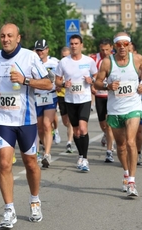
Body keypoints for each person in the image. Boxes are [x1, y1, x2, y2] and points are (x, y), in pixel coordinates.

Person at [0, 23, 52, 229]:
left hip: (26, 120)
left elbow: (49, 83)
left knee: (31, 163)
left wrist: (25, 80)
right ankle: (9, 209)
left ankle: (34, 200)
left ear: (18, 37)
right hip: (4, 120)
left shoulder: (30, 57)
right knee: (4, 163)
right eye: (3, 35)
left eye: (10, 36)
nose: (6, 39)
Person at [94, 32, 142, 197]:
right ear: (114, 47)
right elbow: (97, 83)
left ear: (130, 45)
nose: (122, 47)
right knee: (121, 145)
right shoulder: (107, 62)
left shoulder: (137, 59)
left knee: (131, 142)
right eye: (119, 45)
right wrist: (107, 86)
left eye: (126, 44)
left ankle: (132, 181)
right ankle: (126, 172)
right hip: (115, 109)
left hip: (133, 107)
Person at [55, 34, 98, 172]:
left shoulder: (88, 61)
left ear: (81, 45)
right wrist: (63, 83)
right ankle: (80, 154)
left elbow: (96, 76)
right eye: (71, 44)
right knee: (76, 131)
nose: (74, 46)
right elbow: (57, 81)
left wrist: (91, 81)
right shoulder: (63, 62)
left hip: (84, 99)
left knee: (83, 128)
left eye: (76, 43)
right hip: (70, 99)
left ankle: (84, 159)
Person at [34, 39, 59, 168]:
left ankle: (47, 154)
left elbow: (61, 76)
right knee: (39, 127)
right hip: (36, 97)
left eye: (42, 50)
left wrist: (62, 84)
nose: (40, 52)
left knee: (46, 124)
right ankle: (42, 148)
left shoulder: (54, 62)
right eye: (38, 50)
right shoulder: (32, 62)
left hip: (50, 96)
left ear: (47, 49)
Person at [90, 38, 115, 163]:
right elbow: (90, 75)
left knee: (110, 125)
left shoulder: (116, 58)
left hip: (112, 96)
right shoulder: (94, 59)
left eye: (107, 49)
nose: (105, 52)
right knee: (103, 123)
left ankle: (109, 151)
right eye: (102, 49)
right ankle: (106, 134)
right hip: (100, 95)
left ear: (111, 47)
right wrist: (92, 86)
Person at [56, 47, 74, 153]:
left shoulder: (74, 65)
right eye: (63, 56)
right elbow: (55, 80)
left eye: (67, 56)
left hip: (71, 95)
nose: (65, 58)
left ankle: (69, 142)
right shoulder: (58, 65)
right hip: (61, 95)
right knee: (65, 121)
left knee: (71, 121)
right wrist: (57, 85)